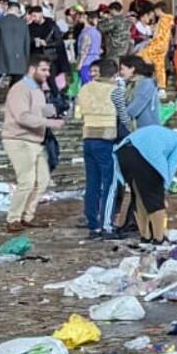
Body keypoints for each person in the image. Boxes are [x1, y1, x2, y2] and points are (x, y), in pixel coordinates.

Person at [1, 51, 62, 232]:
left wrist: (55, 111)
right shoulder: (20, 89)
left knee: (42, 180)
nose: (47, 74)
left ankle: (27, 216)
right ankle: (13, 218)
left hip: (36, 140)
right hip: (19, 139)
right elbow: (22, 116)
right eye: (43, 70)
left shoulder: (37, 89)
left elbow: (40, 110)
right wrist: (50, 122)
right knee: (26, 181)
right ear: (32, 69)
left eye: (48, 70)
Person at [108, 123, 177, 245]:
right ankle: (159, 238)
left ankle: (145, 236)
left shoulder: (165, 134)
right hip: (147, 157)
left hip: (124, 153)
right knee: (155, 201)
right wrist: (163, 190)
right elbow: (172, 166)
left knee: (139, 198)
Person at [75, 60, 119, 237]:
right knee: (110, 183)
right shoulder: (114, 91)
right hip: (107, 138)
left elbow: (79, 113)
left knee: (92, 182)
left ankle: (92, 223)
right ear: (113, 75)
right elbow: (123, 115)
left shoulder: (84, 89)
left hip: (88, 137)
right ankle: (106, 225)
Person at [0, 0, 31, 104]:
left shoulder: (0, 22)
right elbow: (27, 43)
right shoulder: (23, 24)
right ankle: (11, 100)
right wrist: (26, 58)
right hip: (19, 57)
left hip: (2, 54)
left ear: (8, 9)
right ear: (17, 11)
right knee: (16, 79)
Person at [112, 54, 161, 135]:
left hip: (147, 131)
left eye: (122, 69)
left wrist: (118, 114)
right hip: (136, 131)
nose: (120, 72)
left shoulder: (146, 84)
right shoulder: (130, 85)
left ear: (132, 69)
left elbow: (134, 109)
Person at [74, 8, 101, 86]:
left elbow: (85, 49)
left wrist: (80, 63)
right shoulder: (96, 32)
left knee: (86, 85)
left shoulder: (86, 32)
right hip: (96, 60)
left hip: (86, 62)